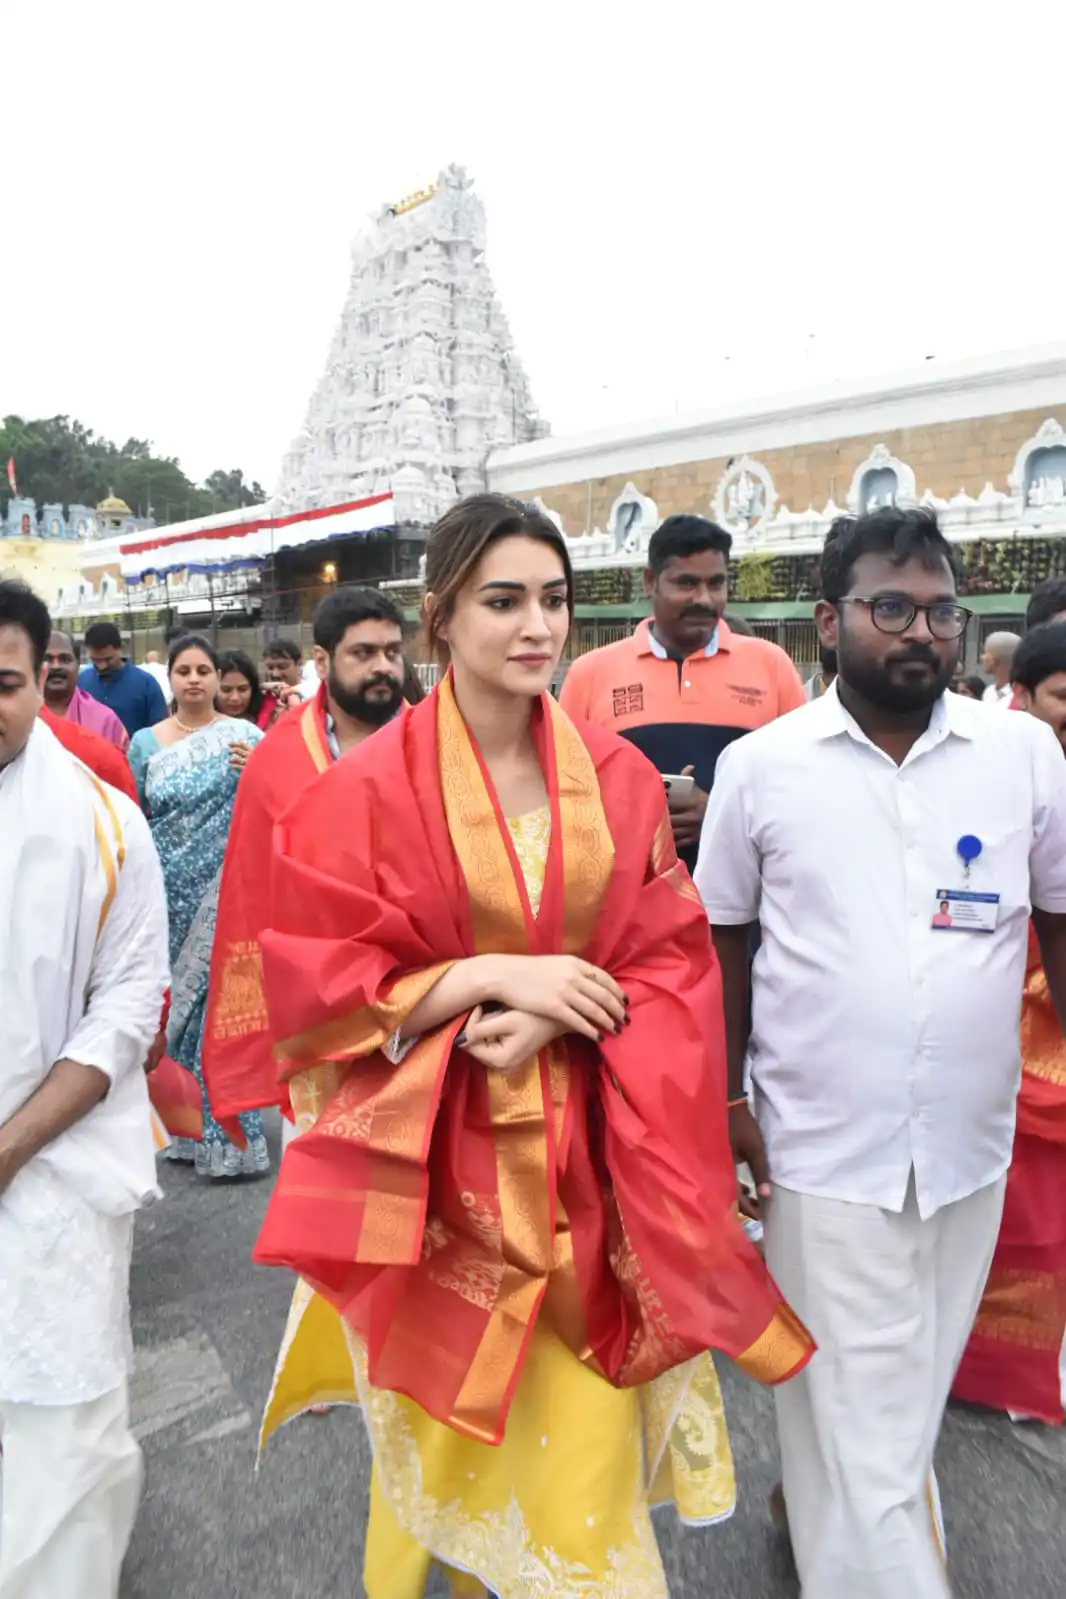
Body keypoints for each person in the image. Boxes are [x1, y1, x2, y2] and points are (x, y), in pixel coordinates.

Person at [250, 494, 812, 1598]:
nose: (537, 627)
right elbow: (316, 988)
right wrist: (486, 977)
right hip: (437, 1181)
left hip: (594, 1177)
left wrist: (562, 1007)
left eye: (553, 600)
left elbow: (673, 963)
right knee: (449, 1454)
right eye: (502, 601)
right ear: (441, 616)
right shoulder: (360, 791)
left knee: (579, 1467)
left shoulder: (616, 777)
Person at [696, 505, 1066, 1599]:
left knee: (894, 1403)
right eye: (891, 608)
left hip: (969, 1141)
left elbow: (1057, 913)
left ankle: (811, 1517)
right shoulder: (762, 767)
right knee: (861, 1414)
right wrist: (723, 1098)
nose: (922, 633)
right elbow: (722, 938)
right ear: (829, 620)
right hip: (819, 1145)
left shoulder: (1022, 753)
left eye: (943, 613)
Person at [0, 580, 169, 1598]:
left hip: (55, 1169)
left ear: (41, 681)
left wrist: (10, 1148)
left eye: (3, 683)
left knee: (64, 1420)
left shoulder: (105, 822)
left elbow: (126, 1007)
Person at [203, 586, 409, 1126]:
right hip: (320, 1006)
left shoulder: (438, 741)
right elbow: (253, 884)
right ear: (321, 660)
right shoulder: (278, 757)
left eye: (392, 652)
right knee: (327, 1162)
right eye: (363, 653)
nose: (383, 666)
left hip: (426, 996)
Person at [952, 620, 1066, 1425]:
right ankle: (989, 1364)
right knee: (1018, 1213)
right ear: (1019, 695)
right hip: (1011, 1028)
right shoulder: (988, 780)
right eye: (1064, 696)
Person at [559, 513, 804, 868]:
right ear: (651, 582)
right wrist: (642, 815)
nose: (703, 599)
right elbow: (564, 796)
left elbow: (801, 790)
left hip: (738, 893)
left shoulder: (772, 666)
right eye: (686, 583)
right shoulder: (591, 674)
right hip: (627, 888)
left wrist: (717, 814)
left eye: (716, 584)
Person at [128, 634, 268, 1180]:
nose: (194, 679)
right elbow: (134, 816)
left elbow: (281, 806)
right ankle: (188, 1131)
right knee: (178, 1018)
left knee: (226, 1018)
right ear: (170, 678)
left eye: (203, 670)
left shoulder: (247, 737)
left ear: (217, 678)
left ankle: (233, 1140)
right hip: (166, 893)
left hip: (230, 894)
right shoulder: (145, 742)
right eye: (183, 670)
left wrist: (259, 771)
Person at [79, 621, 168, 737]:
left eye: (108, 659)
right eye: (95, 660)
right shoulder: (80, 682)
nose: (101, 666)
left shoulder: (146, 684)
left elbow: (161, 731)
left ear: (121, 648)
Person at [42, 630, 129, 749]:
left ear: (78, 665)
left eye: (65, 659)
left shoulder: (106, 720)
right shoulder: (20, 717)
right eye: (47, 659)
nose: (56, 666)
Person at [216, 648, 267, 726]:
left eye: (242, 689)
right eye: (226, 690)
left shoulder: (270, 719)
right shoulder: (198, 725)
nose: (235, 698)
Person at [980, 629, 1022, 704]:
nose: (981, 657)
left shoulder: (1020, 697)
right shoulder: (989, 692)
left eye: (985, 653)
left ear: (993, 661)